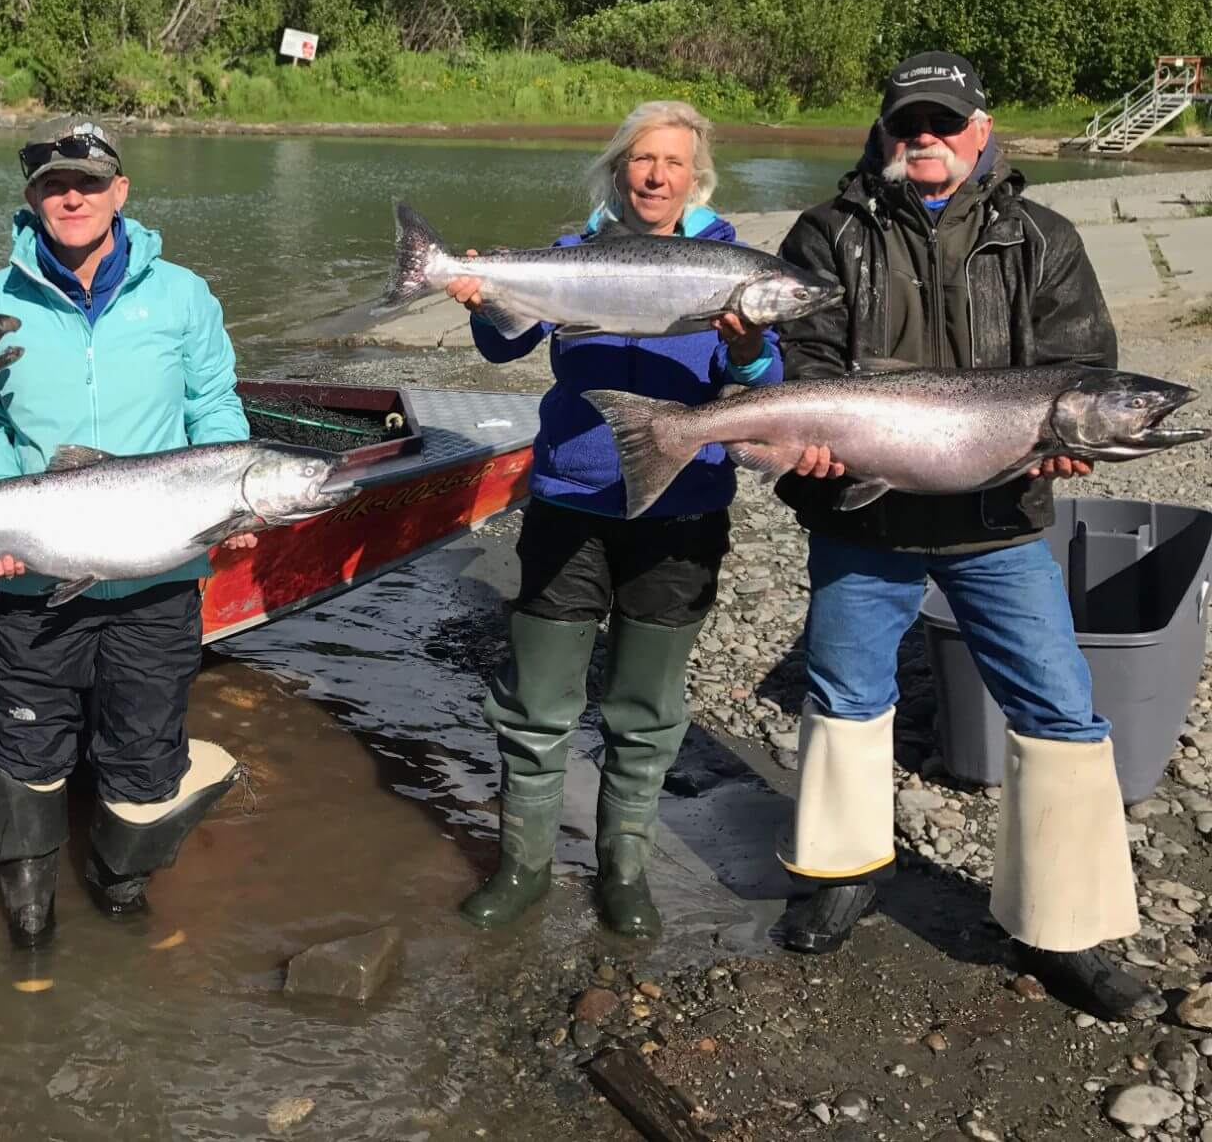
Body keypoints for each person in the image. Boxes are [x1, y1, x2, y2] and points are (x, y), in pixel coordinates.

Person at [772, 52, 1157, 1020]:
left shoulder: (1040, 238)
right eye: (908, 124)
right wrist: (809, 447)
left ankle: (1063, 926)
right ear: (884, 133)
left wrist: (1069, 445)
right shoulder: (826, 234)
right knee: (843, 696)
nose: (924, 139)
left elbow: (1082, 364)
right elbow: (806, 360)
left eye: (943, 122)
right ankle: (840, 871)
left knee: (1060, 712)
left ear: (980, 129)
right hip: (865, 519)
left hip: (996, 526)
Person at [447, 100, 781, 937]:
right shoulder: (569, 256)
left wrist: (744, 346)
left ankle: (622, 870)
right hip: (570, 501)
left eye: (673, 163)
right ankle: (520, 867)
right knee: (538, 700)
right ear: (618, 170)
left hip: (683, 504)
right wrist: (484, 298)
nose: (657, 176)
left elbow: (763, 387)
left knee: (645, 704)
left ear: (694, 177)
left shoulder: (730, 264)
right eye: (642, 160)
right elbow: (503, 348)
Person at [0, 116, 253, 949]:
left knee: (146, 758)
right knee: (29, 754)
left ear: (120, 191)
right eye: (51, 184)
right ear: (31, 197)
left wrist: (238, 502)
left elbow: (214, 410)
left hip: (158, 582)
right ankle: (31, 926)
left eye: (86, 180)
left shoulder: (183, 294)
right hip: (34, 575)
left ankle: (121, 899)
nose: (69, 195)